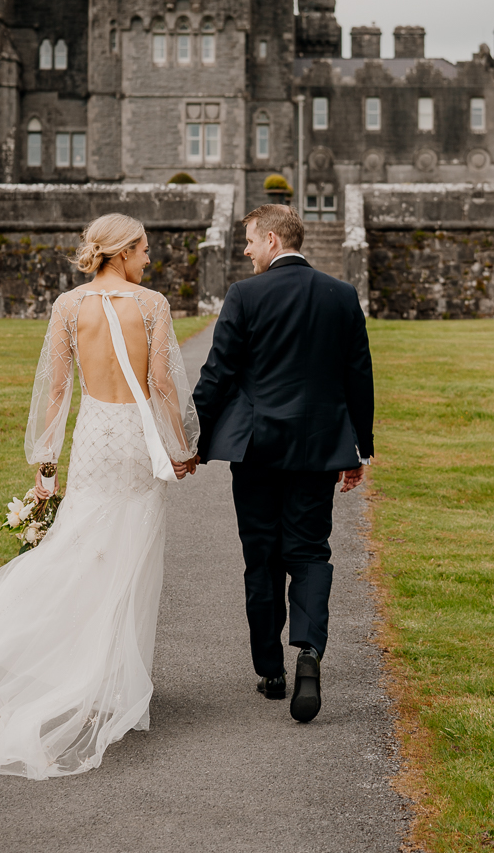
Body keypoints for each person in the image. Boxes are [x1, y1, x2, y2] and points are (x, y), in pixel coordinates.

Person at [0, 214, 200, 779]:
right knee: (128, 551)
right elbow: (162, 382)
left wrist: (46, 462)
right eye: (143, 250)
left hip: (92, 436)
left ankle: (41, 659)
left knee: (80, 542)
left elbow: (56, 387)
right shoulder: (152, 305)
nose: (148, 260)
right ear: (122, 252)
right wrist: (182, 445)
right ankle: (108, 678)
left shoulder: (68, 306)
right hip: (134, 440)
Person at [192, 204, 374, 725]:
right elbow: (357, 377)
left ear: (272, 240)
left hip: (256, 449)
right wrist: (359, 447)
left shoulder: (245, 295)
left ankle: (270, 670)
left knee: (262, 556)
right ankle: (309, 653)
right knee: (312, 552)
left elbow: (218, 374)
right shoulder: (341, 295)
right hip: (319, 448)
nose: (245, 249)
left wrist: (196, 441)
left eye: (249, 240)